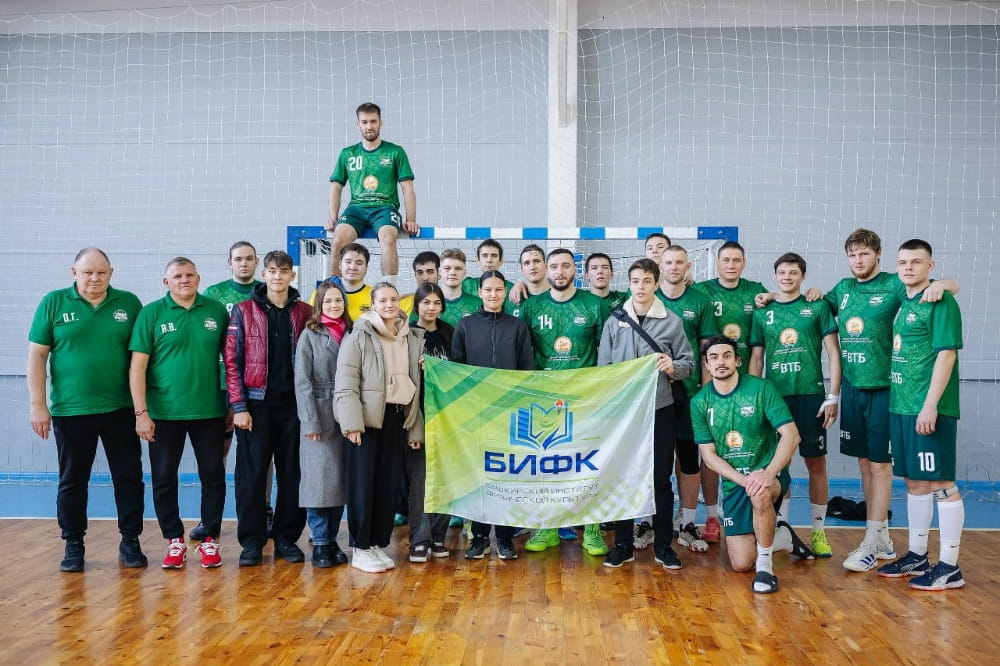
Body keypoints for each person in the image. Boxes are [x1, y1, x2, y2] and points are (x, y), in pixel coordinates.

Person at [822, 229, 958, 572]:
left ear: (878, 254)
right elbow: (814, 309)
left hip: (888, 389)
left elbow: (929, 288)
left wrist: (946, 284)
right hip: (854, 388)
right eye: (852, 254)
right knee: (865, 463)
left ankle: (872, 541)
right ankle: (881, 536)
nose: (858, 260)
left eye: (864, 254)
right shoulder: (843, 289)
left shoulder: (894, 282)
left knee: (881, 466)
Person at [28, 248, 147, 572]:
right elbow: (37, 355)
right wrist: (38, 405)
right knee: (73, 479)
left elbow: (142, 358)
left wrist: (143, 408)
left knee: (129, 477)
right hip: (71, 410)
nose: (95, 278)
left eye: (101, 272)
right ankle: (73, 544)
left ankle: (130, 541)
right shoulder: (53, 303)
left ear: (111, 273)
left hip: (121, 408)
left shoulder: (129, 304)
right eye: (88, 272)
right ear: (74, 273)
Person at [129, 257, 228, 569]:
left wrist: (232, 404)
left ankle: (209, 539)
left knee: (213, 475)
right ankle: (174, 540)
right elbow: (137, 367)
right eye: (177, 276)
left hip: (209, 411)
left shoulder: (216, 311)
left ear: (198, 278)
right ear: (166, 282)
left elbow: (231, 360)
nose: (184, 280)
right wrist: (141, 412)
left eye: (189, 275)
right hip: (163, 413)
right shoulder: (151, 314)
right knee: (163, 477)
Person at [877, 239, 965, 591]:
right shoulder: (906, 300)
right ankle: (917, 555)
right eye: (903, 262)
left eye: (916, 262)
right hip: (902, 406)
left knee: (942, 483)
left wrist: (931, 405)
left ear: (930, 266)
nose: (908, 267)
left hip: (929, 408)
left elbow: (947, 355)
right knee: (914, 482)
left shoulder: (940, 301)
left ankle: (950, 567)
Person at [598, 259, 694, 569]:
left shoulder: (672, 322)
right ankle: (623, 545)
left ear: (656, 283)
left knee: (660, 480)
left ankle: (663, 546)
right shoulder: (614, 321)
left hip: (659, 410)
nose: (641, 286)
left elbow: (689, 364)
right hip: (624, 415)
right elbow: (603, 369)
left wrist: (673, 366)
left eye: (647, 281)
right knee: (622, 477)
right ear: (629, 284)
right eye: (636, 281)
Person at [691, 336, 802, 594]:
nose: (721, 362)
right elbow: (709, 457)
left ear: (737, 361)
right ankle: (782, 537)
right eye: (714, 357)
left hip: (768, 475)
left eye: (727, 356)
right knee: (741, 564)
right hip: (736, 484)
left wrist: (768, 473)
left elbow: (792, 436)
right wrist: (743, 480)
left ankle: (765, 568)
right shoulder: (699, 402)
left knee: (760, 493)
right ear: (706, 365)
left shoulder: (761, 389)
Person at [520, 248, 611, 556]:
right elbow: (524, 352)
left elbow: (607, 351)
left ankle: (592, 529)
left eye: (566, 266)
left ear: (576, 270)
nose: (559, 271)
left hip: (587, 397)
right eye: (555, 266)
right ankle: (547, 526)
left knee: (589, 464)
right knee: (547, 465)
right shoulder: (532, 306)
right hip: (544, 398)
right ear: (547, 269)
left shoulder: (595, 305)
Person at [749, 253, 841, 558]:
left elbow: (834, 352)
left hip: (810, 395)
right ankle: (781, 528)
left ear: (803, 276)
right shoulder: (763, 311)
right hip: (775, 399)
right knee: (780, 465)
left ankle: (818, 531)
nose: (787, 277)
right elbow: (757, 359)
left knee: (816, 463)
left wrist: (833, 395)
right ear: (775, 276)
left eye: (793, 272)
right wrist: (753, 397)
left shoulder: (817, 307)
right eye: (782, 272)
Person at [225, 250, 313, 567]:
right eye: (272, 270)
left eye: (283, 271)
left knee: (293, 475)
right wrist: (239, 406)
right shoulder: (243, 311)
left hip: (294, 407)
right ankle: (252, 541)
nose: (278, 276)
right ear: (264, 274)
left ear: (292, 275)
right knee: (251, 476)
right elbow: (232, 362)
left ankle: (286, 537)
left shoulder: (305, 312)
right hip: (256, 406)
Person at [335, 282, 424, 573]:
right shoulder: (358, 336)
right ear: (373, 304)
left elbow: (416, 385)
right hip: (366, 420)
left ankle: (375, 543)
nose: (389, 304)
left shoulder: (410, 336)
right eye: (383, 300)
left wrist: (414, 428)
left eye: (393, 299)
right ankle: (360, 547)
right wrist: (352, 423)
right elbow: (346, 382)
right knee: (362, 484)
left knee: (387, 484)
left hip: (396, 418)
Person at [452, 271, 535, 559]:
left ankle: (505, 538)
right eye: (488, 289)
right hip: (475, 414)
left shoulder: (517, 326)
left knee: (506, 476)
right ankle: (479, 538)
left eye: (499, 289)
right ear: (480, 292)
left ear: (504, 292)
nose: (493, 294)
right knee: (478, 476)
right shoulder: (465, 326)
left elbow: (526, 370)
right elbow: (455, 370)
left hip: (509, 414)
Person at [192, 240, 268, 543]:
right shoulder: (213, 295)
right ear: (229, 262)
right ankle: (210, 516)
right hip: (220, 385)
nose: (244, 263)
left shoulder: (265, 292)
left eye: (249, 258)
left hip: (255, 386)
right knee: (215, 454)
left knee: (260, 454)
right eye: (238, 259)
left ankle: (263, 510)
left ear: (257, 262)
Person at [693, 241, 768, 532]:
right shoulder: (702, 292)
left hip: (745, 384)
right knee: (712, 450)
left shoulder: (755, 290)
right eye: (726, 260)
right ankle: (713, 514)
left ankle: (759, 510)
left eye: (737, 260)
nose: (731, 265)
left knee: (746, 447)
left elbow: (777, 304)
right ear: (717, 263)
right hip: (714, 385)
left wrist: (774, 295)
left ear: (744, 263)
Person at [656, 245, 719, 549]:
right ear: (660, 265)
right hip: (654, 395)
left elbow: (707, 351)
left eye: (679, 262)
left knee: (689, 459)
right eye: (668, 262)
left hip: (690, 393)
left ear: (688, 266)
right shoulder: (646, 297)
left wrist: (706, 395)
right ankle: (650, 521)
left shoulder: (699, 301)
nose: (673, 267)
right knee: (656, 460)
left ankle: (688, 522)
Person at [293, 281, 352, 568]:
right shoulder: (310, 334)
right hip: (319, 412)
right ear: (319, 305)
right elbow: (302, 381)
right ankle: (318, 541)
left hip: (347, 412)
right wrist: (309, 421)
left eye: (338, 300)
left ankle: (331, 539)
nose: (334, 305)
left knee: (339, 482)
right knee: (318, 483)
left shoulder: (352, 332)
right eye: (328, 301)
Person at [326, 102, 418, 282]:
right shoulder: (347, 154)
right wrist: (333, 217)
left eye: (373, 121)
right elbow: (336, 187)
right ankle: (333, 291)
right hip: (356, 209)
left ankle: (389, 290)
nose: (369, 126)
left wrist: (411, 219)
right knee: (337, 241)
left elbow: (407, 188)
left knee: (388, 240)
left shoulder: (395, 152)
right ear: (358, 125)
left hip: (385, 208)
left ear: (380, 123)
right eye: (364, 122)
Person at [405, 283, 454, 562]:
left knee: (446, 477)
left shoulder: (450, 333)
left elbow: (460, 370)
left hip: (448, 416)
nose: (431, 308)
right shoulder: (408, 334)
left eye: (436, 303)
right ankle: (419, 539)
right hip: (419, 415)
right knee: (421, 480)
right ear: (417, 306)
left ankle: (438, 536)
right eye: (426, 302)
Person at [313, 243, 373, 321]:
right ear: (340, 265)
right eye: (348, 262)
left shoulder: (374, 295)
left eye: (359, 263)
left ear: (366, 268)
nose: (352, 267)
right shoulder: (321, 292)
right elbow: (312, 321)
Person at [438, 249, 484, 326]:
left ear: (464, 273)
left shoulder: (477, 303)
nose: (452, 272)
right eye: (447, 268)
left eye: (458, 268)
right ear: (440, 272)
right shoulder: (427, 303)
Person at [505, 243, 551, 315]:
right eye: (527, 263)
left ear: (546, 266)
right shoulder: (513, 298)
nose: (532, 267)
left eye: (536, 261)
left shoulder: (558, 296)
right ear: (522, 270)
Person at [400, 251, 441, 319]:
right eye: (420, 272)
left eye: (430, 272)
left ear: (439, 274)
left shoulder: (449, 303)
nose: (425, 278)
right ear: (415, 275)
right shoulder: (402, 303)